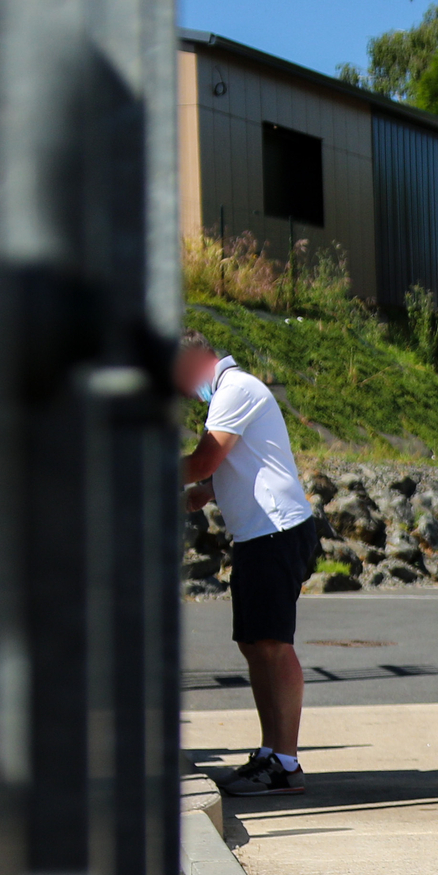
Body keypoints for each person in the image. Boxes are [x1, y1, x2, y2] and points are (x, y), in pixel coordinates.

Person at [174, 329, 318, 796]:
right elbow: (249, 462)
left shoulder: (236, 390)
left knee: (274, 644)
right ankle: (271, 752)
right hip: (259, 534)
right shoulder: (230, 394)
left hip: (275, 530)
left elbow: (204, 459)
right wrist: (209, 492)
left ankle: (286, 761)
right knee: (255, 644)